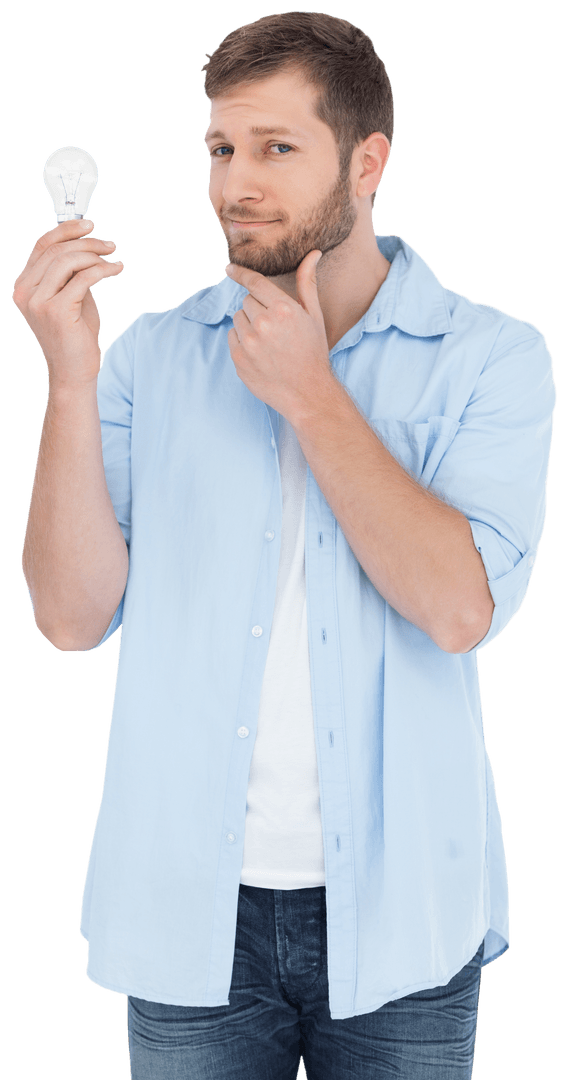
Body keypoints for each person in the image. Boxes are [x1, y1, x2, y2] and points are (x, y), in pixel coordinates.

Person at [13, 11, 556, 1080]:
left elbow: (460, 610)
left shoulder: (491, 356)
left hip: (403, 915)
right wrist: (71, 378)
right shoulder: (152, 357)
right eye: (221, 148)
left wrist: (313, 396)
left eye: (275, 148)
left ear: (366, 162)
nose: (236, 184)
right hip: (185, 918)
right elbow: (70, 619)